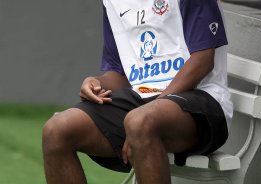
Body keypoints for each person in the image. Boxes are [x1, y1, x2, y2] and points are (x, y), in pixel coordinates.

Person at [42, 0, 233, 183]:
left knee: (139, 122)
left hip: (203, 100)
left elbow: (203, 61)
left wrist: (146, 115)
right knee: (57, 130)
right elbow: (120, 74)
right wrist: (95, 83)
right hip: (141, 101)